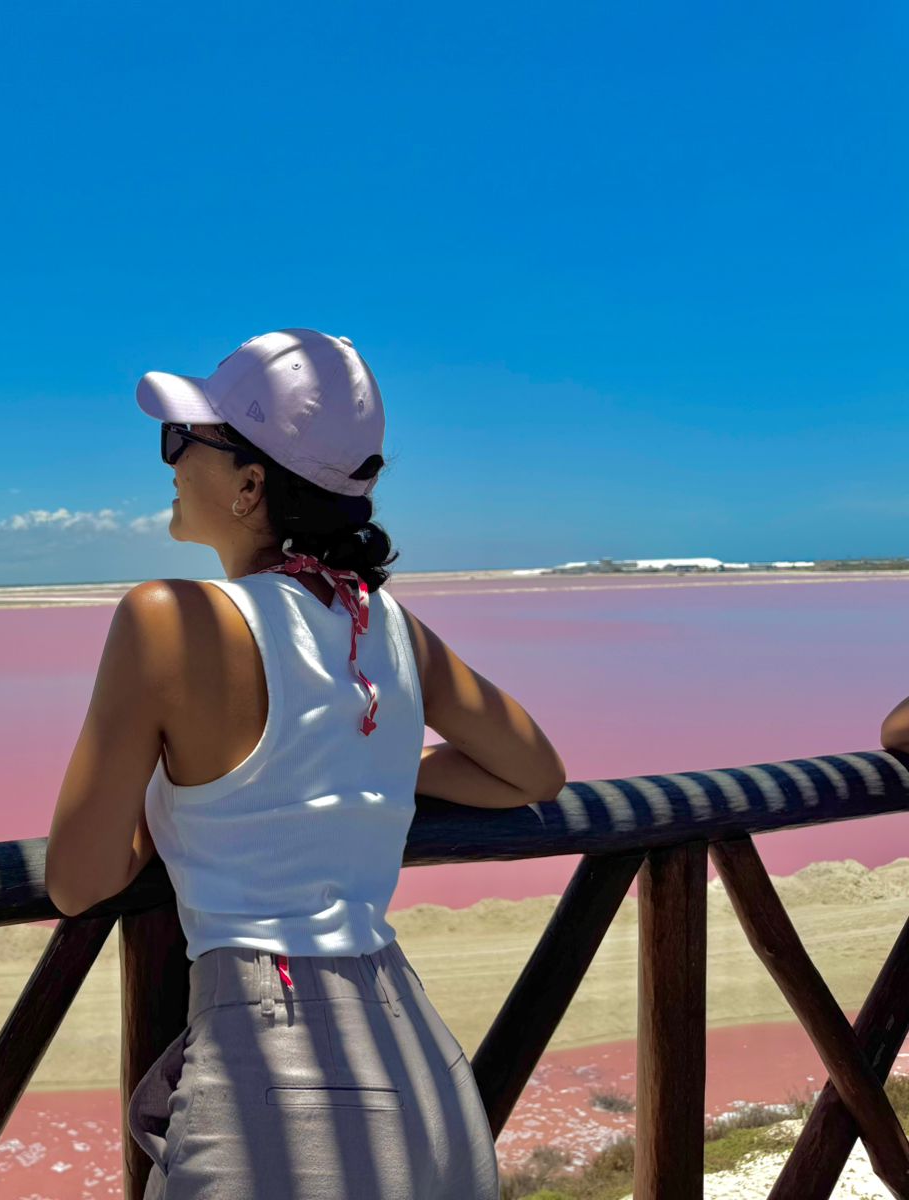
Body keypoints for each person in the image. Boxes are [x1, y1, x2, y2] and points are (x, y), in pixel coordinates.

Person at [45, 330, 566, 1199]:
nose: (169, 462)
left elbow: (78, 880)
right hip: (418, 1064)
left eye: (181, 441)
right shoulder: (386, 625)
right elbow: (533, 772)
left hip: (276, 1071)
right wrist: (377, 770)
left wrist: (179, 801)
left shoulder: (170, 620)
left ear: (251, 485)